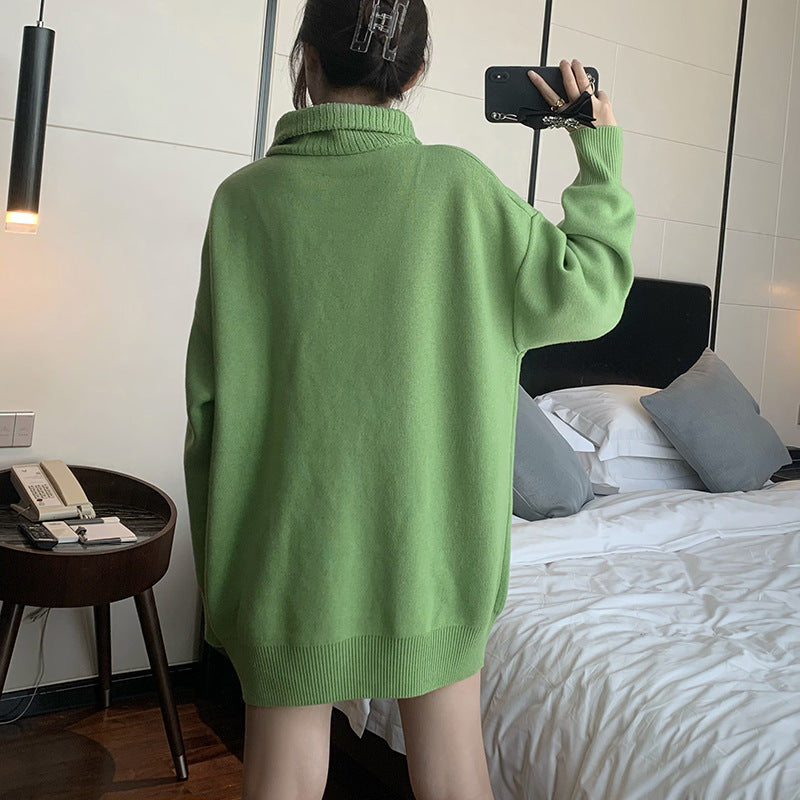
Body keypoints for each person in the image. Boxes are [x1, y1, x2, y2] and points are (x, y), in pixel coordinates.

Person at [183, 0, 635, 798]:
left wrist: (225, 587)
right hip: (432, 558)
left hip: (287, 561)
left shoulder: (243, 201)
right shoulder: (460, 190)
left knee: (281, 779)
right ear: (416, 71)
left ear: (305, 56)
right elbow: (591, 292)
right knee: (455, 771)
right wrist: (596, 151)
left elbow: (207, 414)